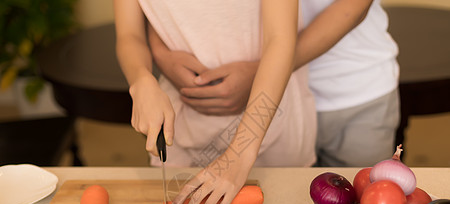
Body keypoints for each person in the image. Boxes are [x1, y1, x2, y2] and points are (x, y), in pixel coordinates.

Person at [114, 0, 317, 204]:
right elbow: (130, 36)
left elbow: (280, 39)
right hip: (181, 124)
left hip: (271, 127)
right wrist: (141, 79)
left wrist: (240, 152)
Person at [149, 0, 400, 167]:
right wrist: (160, 52)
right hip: (261, 97)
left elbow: (354, 6)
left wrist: (259, 73)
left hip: (351, 86)